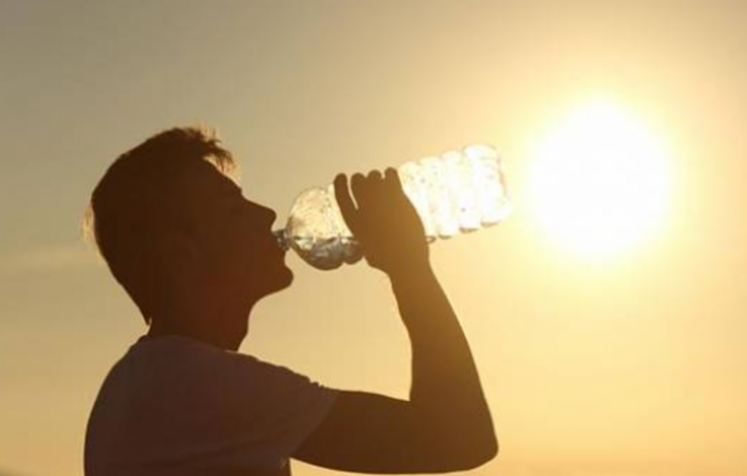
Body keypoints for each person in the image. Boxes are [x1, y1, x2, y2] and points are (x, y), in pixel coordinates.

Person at [84, 126, 498, 476]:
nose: (266, 213)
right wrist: (409, 266)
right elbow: (458, 437)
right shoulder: (194, 384)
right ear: (182, 255)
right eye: (233, 209)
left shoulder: (143, 383)